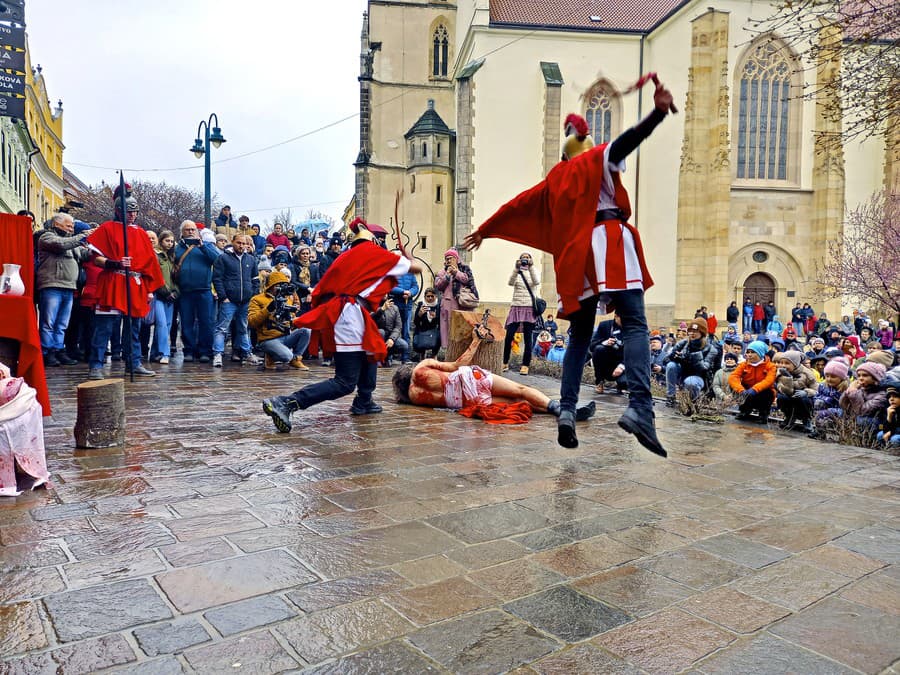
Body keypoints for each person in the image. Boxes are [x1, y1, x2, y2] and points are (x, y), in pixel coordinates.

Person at [464, 78, 676, 455]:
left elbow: (518, 205)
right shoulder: (597, 159)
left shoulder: (555, 179)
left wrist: (486, 230)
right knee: (636, 324)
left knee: (580, 333)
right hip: (610, 241)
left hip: (579, 258)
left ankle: (565, 410)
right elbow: (628, 141)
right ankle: (640, 407)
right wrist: (657, 114)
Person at [262, 219, 423, 432]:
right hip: (351, 315)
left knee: (371, 351)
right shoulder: (374, 254)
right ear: (372, 241)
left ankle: (364, 400)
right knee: (345, 382)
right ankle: (288, 402)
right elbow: (417, 268)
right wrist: (408, 256)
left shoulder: (345, 256)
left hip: (350, 312)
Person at [391, 328, 595, 423]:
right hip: (470, 380)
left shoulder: (415, 399)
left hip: (469, 401)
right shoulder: (420, 369)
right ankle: (560, 408)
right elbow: (456, 365)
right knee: (521, 390)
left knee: (515, 400)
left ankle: (561, 412)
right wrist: (476, 341)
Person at [85, 195, 164, 379]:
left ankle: (134, 363)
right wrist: (116, 263)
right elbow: (95, 258)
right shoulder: (106, 229)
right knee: (104, 327)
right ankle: (96, 366)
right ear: (119, 210)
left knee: (133, 328)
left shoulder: (141, 233)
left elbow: (150, 264)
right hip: (113, 281)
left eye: (134, 211)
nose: (132, 215)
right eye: (128, 211)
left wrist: (149, 288)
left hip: (134, 285)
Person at [36, 213, 94, 367]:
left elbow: (83, 255)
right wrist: (81, 236)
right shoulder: (47, 237)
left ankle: (58, 349)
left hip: (69, 287)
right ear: (56, 224)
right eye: (68, 225)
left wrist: (94, 249)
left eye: (72, 226)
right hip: (52, 285)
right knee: (49, 322)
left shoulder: (71, 241)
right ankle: (46, 352)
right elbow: (61, 244)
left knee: (62, 323)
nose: (71, 229)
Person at [174, 221, 220, 363]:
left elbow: (217, 260)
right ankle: (189, 350)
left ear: (198, 231)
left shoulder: (206, 246)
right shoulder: (178, 248)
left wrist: (203, 246)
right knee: (186, 322)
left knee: (206, 322)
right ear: (182, 232)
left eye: (193, 229)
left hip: (204, 290)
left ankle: (205, 351)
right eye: (187, 230)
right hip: (185, 291)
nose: (190, 232)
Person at [211, 234, 261, 367]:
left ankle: (247, 352)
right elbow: (217, 278)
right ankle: (217, 354)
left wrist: (253, 296)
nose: (242, 246)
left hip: (245, 300)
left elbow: (255, 279)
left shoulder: (251, 259)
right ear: (232, 242)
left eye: (244, 243)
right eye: (239, 243)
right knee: (222, 328)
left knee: (243, 328)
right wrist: (223, 297)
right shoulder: (223, 258)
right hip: (229, 300)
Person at [248, 269, 311, 370]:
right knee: (287, 356)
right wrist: (269, 308)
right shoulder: (257, 299)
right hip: (268, 339)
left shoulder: (287, 298)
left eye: (284, 285)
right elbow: (252, 322)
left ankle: (296, 359)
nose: (281, 288)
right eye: (279, 285)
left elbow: (290, 318)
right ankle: (271, 356)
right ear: (271, 286)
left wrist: (295, 320)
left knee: (306, 331)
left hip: (285, 335)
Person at [663, 317, 720, 406]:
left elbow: (704, 368)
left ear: (702, 333)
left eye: (695, 331)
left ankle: (692, 403)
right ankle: (671, 396)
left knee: (691, 382)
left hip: (698, 377)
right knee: (671, 365)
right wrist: (674, 357)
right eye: (690, 330)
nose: (692, 333)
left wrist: (693, 356)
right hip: (682, 374)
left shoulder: (711, 348)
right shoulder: (683, 343)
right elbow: (665, 360)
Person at [502, 252, 541, 375]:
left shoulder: (533, 270)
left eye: (528, 257)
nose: (525, 259)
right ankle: (505, 362)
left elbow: (536, 281)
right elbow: (510, 282)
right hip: (516, 306)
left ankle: (525, 365)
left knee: (528, 338)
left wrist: (532, 266)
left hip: (529, 307)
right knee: (509, 337)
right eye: (523, 257)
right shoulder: (517, 272)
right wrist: (515, 268)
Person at [434, 249, 477, 349]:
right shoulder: (442, 272)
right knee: (449, 329)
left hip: (463, 303)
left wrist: (456, 272)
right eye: (447, 259)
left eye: (451, 258)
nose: (449, 261)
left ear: (456, 259)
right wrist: (447, 276)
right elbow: (438, 286)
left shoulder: (465, 269)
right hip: (448, 304)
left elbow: (467, 280)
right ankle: (449, 350)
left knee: (463, 328)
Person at [728, 340, 777, 424]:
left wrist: (754, 389)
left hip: (762, 393)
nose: (749, 355)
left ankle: (763, 414)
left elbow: (769, 381)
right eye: (748, 352)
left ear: (761, 353)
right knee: (734, 387)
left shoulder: (770, 366)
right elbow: (733, 377)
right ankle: (744, 410)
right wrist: (741, 390)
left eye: (753, 352)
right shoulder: (743, 365)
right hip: (747, 392)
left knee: (767, 391)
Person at [150, 230, 179, 365]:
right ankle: (164, 353)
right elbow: (155, 277)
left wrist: (175, 292)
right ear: (161, 241)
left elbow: (176, 279)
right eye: (167, 241)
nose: (170, 243)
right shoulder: (156, 256)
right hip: (159, 294)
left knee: (167, 325)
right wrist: (165, 292)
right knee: (161, 324)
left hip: (171, 295)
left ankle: (155, 352)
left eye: (172, 241)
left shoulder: (172, 257)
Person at [773, 350, 818, 433]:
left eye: (787, 363)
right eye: (781, 362)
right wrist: (787, 378)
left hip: (803, 398)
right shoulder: (781, 372)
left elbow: (816, 390)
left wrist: (806, 392)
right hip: (789, 395)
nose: (783, 365)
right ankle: (789, 417)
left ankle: (806, 420)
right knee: (781, 398)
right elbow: (781, 388)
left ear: (795, 363)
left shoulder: (807, 373)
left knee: (803, 399)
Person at [589, 314, 626, 394]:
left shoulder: (632, 328)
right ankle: (599, 382)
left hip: (623, 363)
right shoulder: (605, 325)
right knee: (599, 349)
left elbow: (633, 353)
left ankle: (620, 385)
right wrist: (604, 342)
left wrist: (622, 366)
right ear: (616, 316)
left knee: (625, 383)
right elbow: (592, 346)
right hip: (606, 363)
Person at [389, 270, 420, 364]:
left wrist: (410, 293)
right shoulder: (392, 272)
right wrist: (403, 291)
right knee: (391, 330)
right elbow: (389, 287)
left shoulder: (410, 273)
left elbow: (415, 286)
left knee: (406, 332)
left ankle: (405, 357)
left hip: (407, 306)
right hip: (393, 306)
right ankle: (388, 357)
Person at [371, 295, 408, 366]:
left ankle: (386, 356)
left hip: (389, 336)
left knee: (404, 345)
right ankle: (378, 358)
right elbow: (370, 318)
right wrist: (382, 309)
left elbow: (398, 326)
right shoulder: (372, 306)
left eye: (386, 292)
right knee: (381, 332)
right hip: (377, 337)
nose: (384, 294)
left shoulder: (394, 308)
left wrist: (392, 339)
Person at [412, 287, 441, 360]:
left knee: (440, 335)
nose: (430, 298)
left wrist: (435, 317)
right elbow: (416, 322)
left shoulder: (438, 306)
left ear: (435, 296)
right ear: (425, 297)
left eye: (432, 296)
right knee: (416, 336)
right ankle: (422, 353)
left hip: (433, 330)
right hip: (422, 329)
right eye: (428, 296)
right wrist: (419, 314)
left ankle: (434, 354)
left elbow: (440, 321)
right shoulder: (421, 305)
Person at [877, 379, 900, 448]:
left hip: (897, 433)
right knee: (880, 435)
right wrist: (889, 418)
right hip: (896, 431)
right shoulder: (889, 409)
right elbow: (882, 427)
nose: (891, 399)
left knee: (895, 439)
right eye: (889, 397)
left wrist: (891, 432)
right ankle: (885, 453)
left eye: (895, 396)